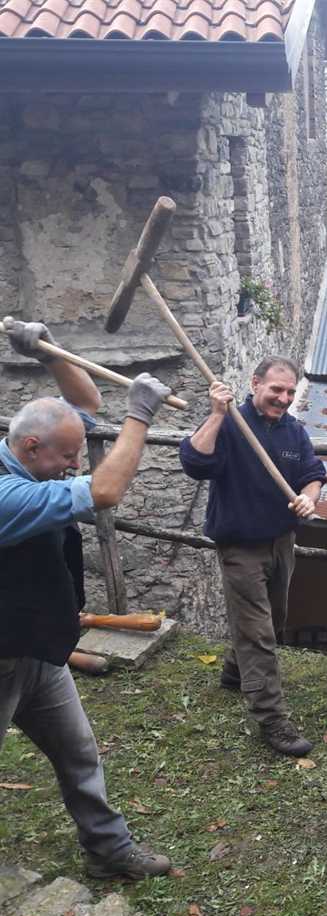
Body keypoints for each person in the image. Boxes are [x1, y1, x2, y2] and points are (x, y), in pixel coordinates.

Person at [0, 319, 173, 879]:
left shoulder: (34, 453)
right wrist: (140, 414)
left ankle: (108, 850)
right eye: (68, 458)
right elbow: (104, 490)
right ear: (31, 446)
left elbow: (85, 402)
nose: (75, 466)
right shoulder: (6, 494)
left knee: (79, 755)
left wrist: (49, 354)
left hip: (40, 650)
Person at [179, 356, 327, 757]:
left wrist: (307, 498)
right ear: (255, 382)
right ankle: (272, 720)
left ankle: (233, 671)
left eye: (291, 392)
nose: (284, 398)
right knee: (259, 632)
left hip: (282, 542)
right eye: (276, 389)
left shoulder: (294, 432)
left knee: (271, 620)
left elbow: (314, 473)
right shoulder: (229, 423)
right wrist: (215, 414)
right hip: (240, 545)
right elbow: (193, 462)